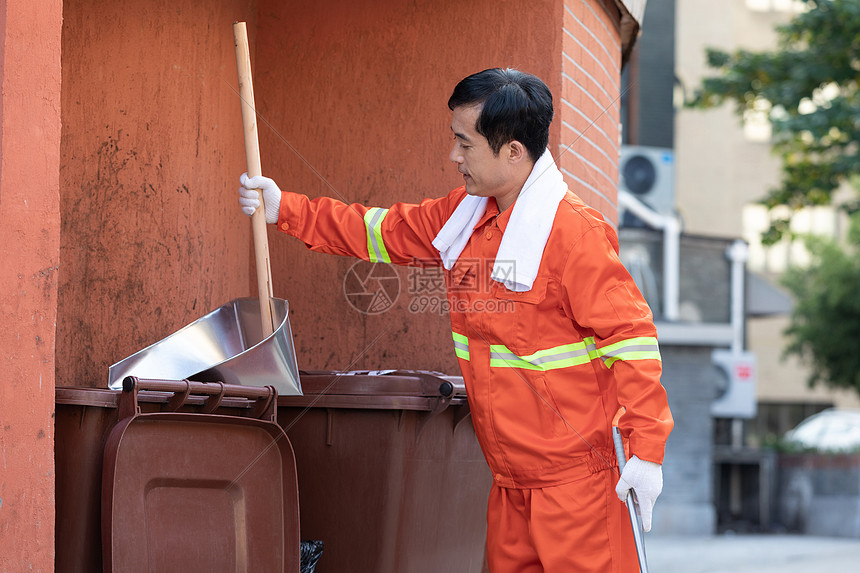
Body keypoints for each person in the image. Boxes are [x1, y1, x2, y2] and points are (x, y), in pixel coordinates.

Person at [238, 68, 673, 573]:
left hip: (580, 489)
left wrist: (647, 452)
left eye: (464, 144)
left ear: (513, 151)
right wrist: (284, 209)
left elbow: (632, 339)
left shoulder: (575, 236)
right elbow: (382, 230)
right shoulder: (464, 217)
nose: (454, 157)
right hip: (510, 484)